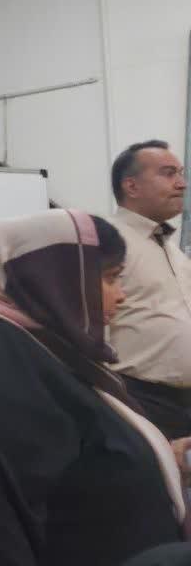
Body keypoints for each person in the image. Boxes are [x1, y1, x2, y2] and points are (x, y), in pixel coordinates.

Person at [0, 210, 186, 565]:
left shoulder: (35, 344)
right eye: (110, 278)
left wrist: (157, 454)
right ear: (56, 278)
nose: (121, 296)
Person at [107, 140, 191, 438]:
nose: (181, 184)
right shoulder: (108, 242)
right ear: (131, 186)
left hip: (182, 403)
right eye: (168, 173)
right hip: (138, 398)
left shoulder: (171, 250)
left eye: (181, 173)